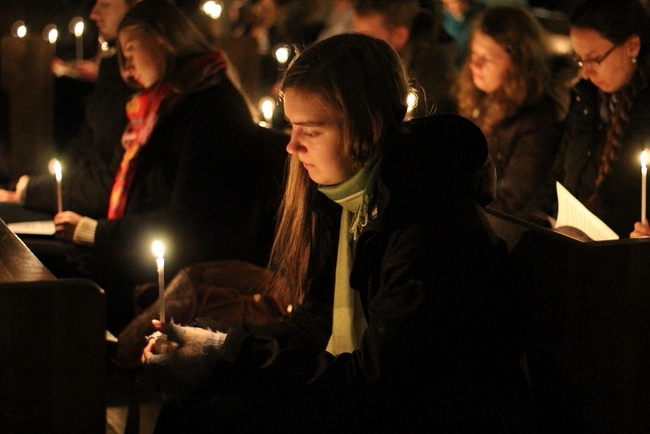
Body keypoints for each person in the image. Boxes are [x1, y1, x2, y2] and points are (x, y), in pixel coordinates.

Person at [142, 33, 532, 433]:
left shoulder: (428, 224)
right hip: (361, 395)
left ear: (368, 127)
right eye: (291, 127)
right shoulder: (344, 200)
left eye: (310, 131)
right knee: (196, 405)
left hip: (426, 416)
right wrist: (214, 344)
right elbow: (315, 327)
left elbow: (379, 385)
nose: (292, 147)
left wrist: (223, 356)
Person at [52, 0, 288, 335]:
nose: (124, 67)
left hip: (170, 270)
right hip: (138, 253)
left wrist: (94, 231)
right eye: (118, 54)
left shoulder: (209, 109)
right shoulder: (164, 103)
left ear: (162, 37)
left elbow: (188, 223)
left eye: (130, 49)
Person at [0, 0, 140, 222]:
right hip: (77, 201)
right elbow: (83, 152)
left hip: (96, 220)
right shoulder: (113, 72)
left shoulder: (133, 89)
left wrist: (29, 191)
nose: (93, 14)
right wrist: (29, 188)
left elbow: (105, 184)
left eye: (105, 5)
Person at [454, 6, 567, 219]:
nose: (474, 64)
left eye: (487, 58)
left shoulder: (537, 121)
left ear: (518, 61)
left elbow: (513, 198)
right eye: (474, 53)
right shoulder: (479, 95)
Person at [549, 0, 650, 238]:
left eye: (594, 58)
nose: (586, 72)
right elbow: (558, 172)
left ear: (631, 46)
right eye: (580, 59)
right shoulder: (586, 97)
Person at [353, 0, 457, 115]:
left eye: (368, 38)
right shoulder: (374, 63)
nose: (359, 46)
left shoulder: (431, 76)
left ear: (399, 36)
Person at [441, 0, 487, 68]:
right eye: (444, 4)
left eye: (449, 4)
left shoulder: (481, 12)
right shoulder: (448, 18)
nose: (446, 8)